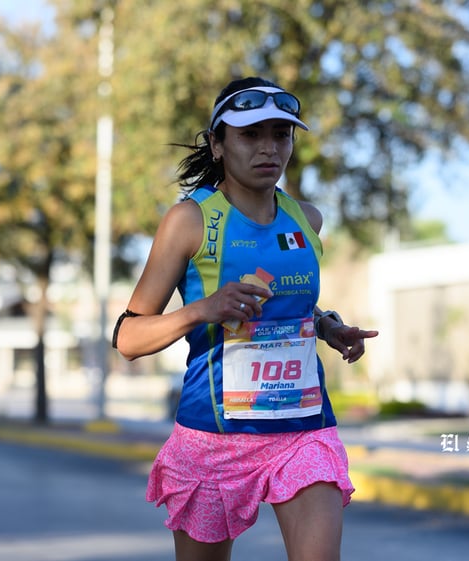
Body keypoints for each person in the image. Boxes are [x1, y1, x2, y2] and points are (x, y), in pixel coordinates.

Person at [112, 76, 378, 561]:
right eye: (250, 135)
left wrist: (327, 325)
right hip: (212, 439)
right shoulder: (191, 221)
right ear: (217, 144)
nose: (269, 148)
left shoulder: (306, 220)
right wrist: (201, 310)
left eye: (281, 135)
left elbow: (287, 302)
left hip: (302, 428)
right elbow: (128, 337)